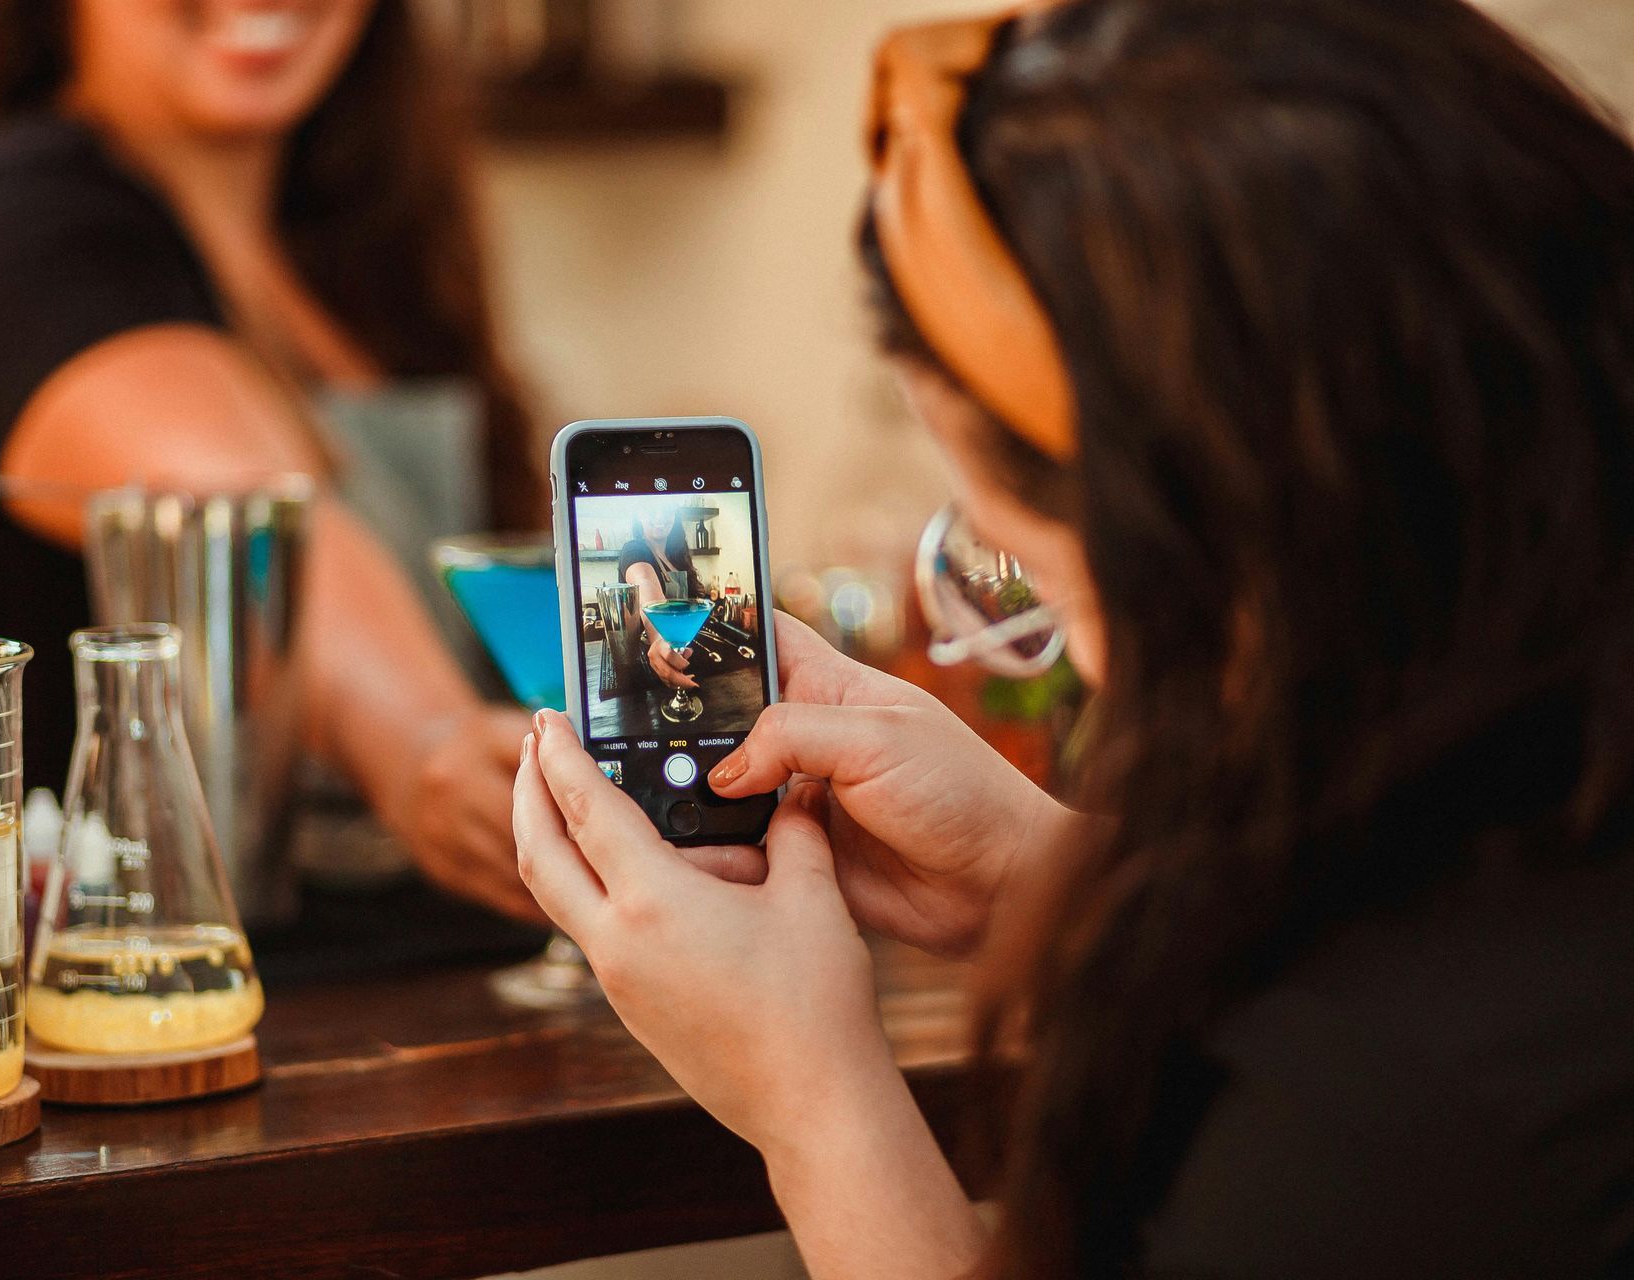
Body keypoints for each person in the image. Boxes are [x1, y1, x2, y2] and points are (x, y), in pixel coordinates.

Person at [512, 0, 1634, 1275]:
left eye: (1036, 581)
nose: (1074, 662)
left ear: (1238, 561)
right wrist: (1050, 878)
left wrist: (814, 1103)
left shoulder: (1389, 1120)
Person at [0, 0, 541, 921]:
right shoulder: (26, 226)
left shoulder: (368, 248)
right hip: (131, 985)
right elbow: (246, 519)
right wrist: (429, 745)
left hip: (398, 967)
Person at [618, 505, 701, 692]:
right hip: (653, 666)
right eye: (651, 508)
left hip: (686, 653)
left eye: (667, 508)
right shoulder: (634, 550)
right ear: (638, 514)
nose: (659, 515)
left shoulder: (678, 558)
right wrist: (660, 640)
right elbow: (645, 582)